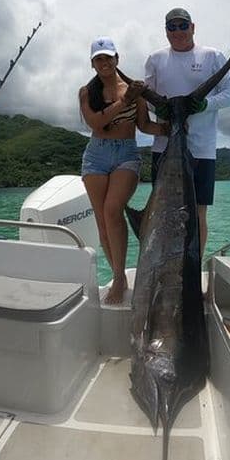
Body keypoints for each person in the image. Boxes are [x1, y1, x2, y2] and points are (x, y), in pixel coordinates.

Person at [79, 36, 168, 304]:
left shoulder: (134, 90)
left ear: (117, 59)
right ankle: (120, 276)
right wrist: (123, 101)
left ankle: (119, 278)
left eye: (109, 57)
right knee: (102, 220)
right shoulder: (87, 92)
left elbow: (144, 126)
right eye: (99, 59)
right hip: (96, 155)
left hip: (127, 154)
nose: (105, 62)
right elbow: (95, 123)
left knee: (112, 209)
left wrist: (169, 127)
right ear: (93, 64)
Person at [145, 7, 230, 254]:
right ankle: (166, 268)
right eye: (172, 27)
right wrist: (160, 112)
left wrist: (206, 104)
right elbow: (144, 100)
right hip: (164, 148)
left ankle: (193, 274)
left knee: (198, 212)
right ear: (166, 31)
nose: (178, 31)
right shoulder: (155, 59)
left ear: (193, 27)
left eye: (182, 26)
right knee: (163, 211)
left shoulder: (212, 56)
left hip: (202, 149)